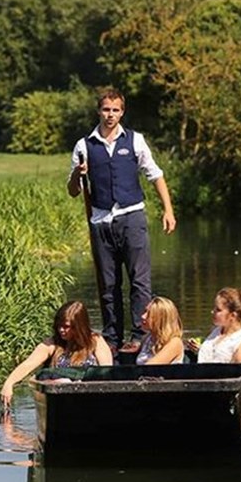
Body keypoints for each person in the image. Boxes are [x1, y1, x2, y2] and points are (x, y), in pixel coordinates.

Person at [69, 88, 176, 353]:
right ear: (99, 111)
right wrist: (77, 173)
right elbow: (73, 190)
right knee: (108, 284)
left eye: (115, 110)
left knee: (140, 280)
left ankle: (139, 336)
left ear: (122, 112)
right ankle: (112, 339)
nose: (110, 115)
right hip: (101, 221)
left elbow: (155, 175)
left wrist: (168, 210)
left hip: (132, 217)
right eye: (106, 109)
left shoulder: (135, 141)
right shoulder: (84, 145)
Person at [0, 300, 113, 408]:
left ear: (79, 326)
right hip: (60, 401)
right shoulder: (52, 344)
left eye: (66, 327)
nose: (61, 330)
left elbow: (107, 371)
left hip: (89, 398)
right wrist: (9, 383)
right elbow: (28, 364)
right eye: (59, 325)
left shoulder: (95, 341)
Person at [187, 287, 241, 364]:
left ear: (233, 315)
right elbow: (214, 355)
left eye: (218, 310)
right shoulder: (216, 331)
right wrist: (199, 349)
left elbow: (236, 370)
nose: (212, 311)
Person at [135, 296, 185, 365]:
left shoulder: (174, 343)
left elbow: (150, 368)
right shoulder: (147, 339)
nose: (143, 316)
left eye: (149, 314)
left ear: (160, 319)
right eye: (145, 311)